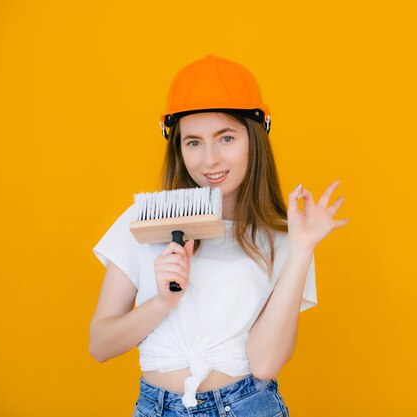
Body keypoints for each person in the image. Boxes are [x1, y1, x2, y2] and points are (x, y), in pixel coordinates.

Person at [89, 53, 348, 417]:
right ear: (178, 147)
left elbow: (265, 364)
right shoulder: (143, 222)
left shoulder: (282, 238)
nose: (209, 159)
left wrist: (302, 248)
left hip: (248, 407)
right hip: (157, 408)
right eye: (193, 142)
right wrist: (162, 301)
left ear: (254, 138)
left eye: (226, 137)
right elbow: (100, 345)